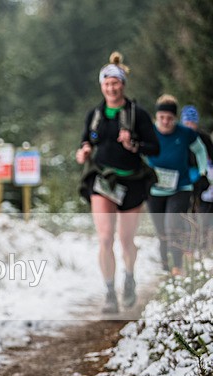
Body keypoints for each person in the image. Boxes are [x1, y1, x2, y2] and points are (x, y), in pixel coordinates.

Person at [76, 52, 160, 314]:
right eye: (106, 84)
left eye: (115, 83)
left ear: (122, 84)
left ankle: (130, 277)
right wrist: (83, 152)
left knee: (126, 240)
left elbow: (154, 148)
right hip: (102, 180)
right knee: (104, 238)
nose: (111, 88)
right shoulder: (95, 114)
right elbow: (85, 142)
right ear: (102, 86)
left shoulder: (138, 114)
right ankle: (110, 292)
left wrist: (133, 144)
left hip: (132, 182)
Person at [146, 96, 209, 275]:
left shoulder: (185, 133)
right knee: (161, 231)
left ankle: (177, 266)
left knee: (173, 224)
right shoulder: (148, 132)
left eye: (170, 118)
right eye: (161, 117)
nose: (165, 122)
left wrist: (202, 172)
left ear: (175, 118)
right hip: (155, 188)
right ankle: (165, 264)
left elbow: (200, 150)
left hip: (180, 187)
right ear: (156, 117)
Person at [179, 105, 213, 248]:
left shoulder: (203, 137)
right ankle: (187, 242)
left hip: (202, 178)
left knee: (203, 211)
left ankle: (203, 243)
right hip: (184, 178)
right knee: (186, 211)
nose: (190, 126)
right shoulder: (179, 136)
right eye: (187, 123)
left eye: (192, 122)